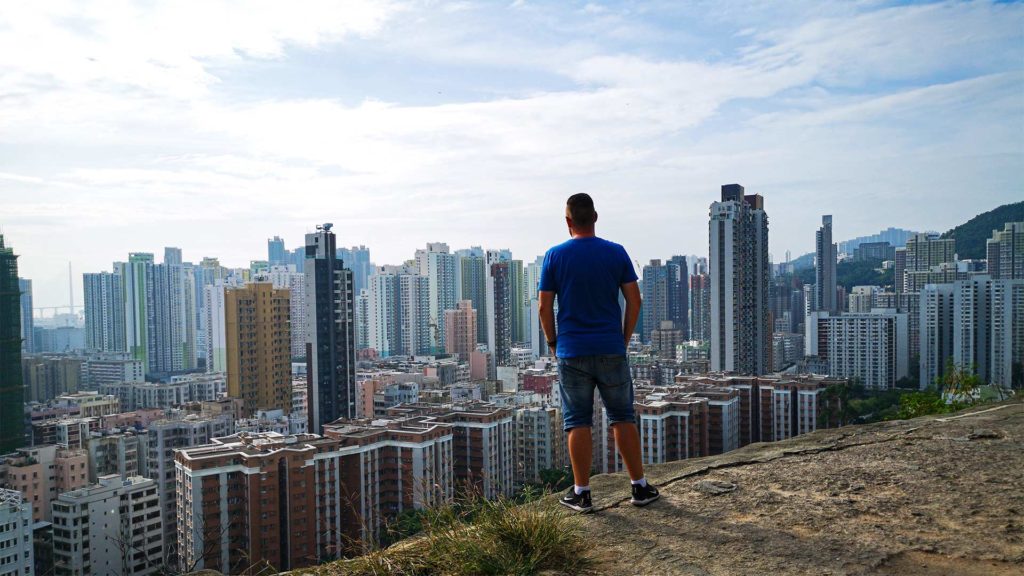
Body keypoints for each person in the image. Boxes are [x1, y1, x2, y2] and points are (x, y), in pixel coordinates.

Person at [538, 193, 659, 513]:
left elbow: (543, 305)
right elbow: (635, 301)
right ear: (595, 217)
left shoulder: (554, 256)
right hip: (610, 348)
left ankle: (582, 493)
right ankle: (640, 487)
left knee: (577, 420)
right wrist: (623, 338)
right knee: (622, 416)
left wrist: (553, 342)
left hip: (572, 352)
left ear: (568, 222)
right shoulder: (616, 253)